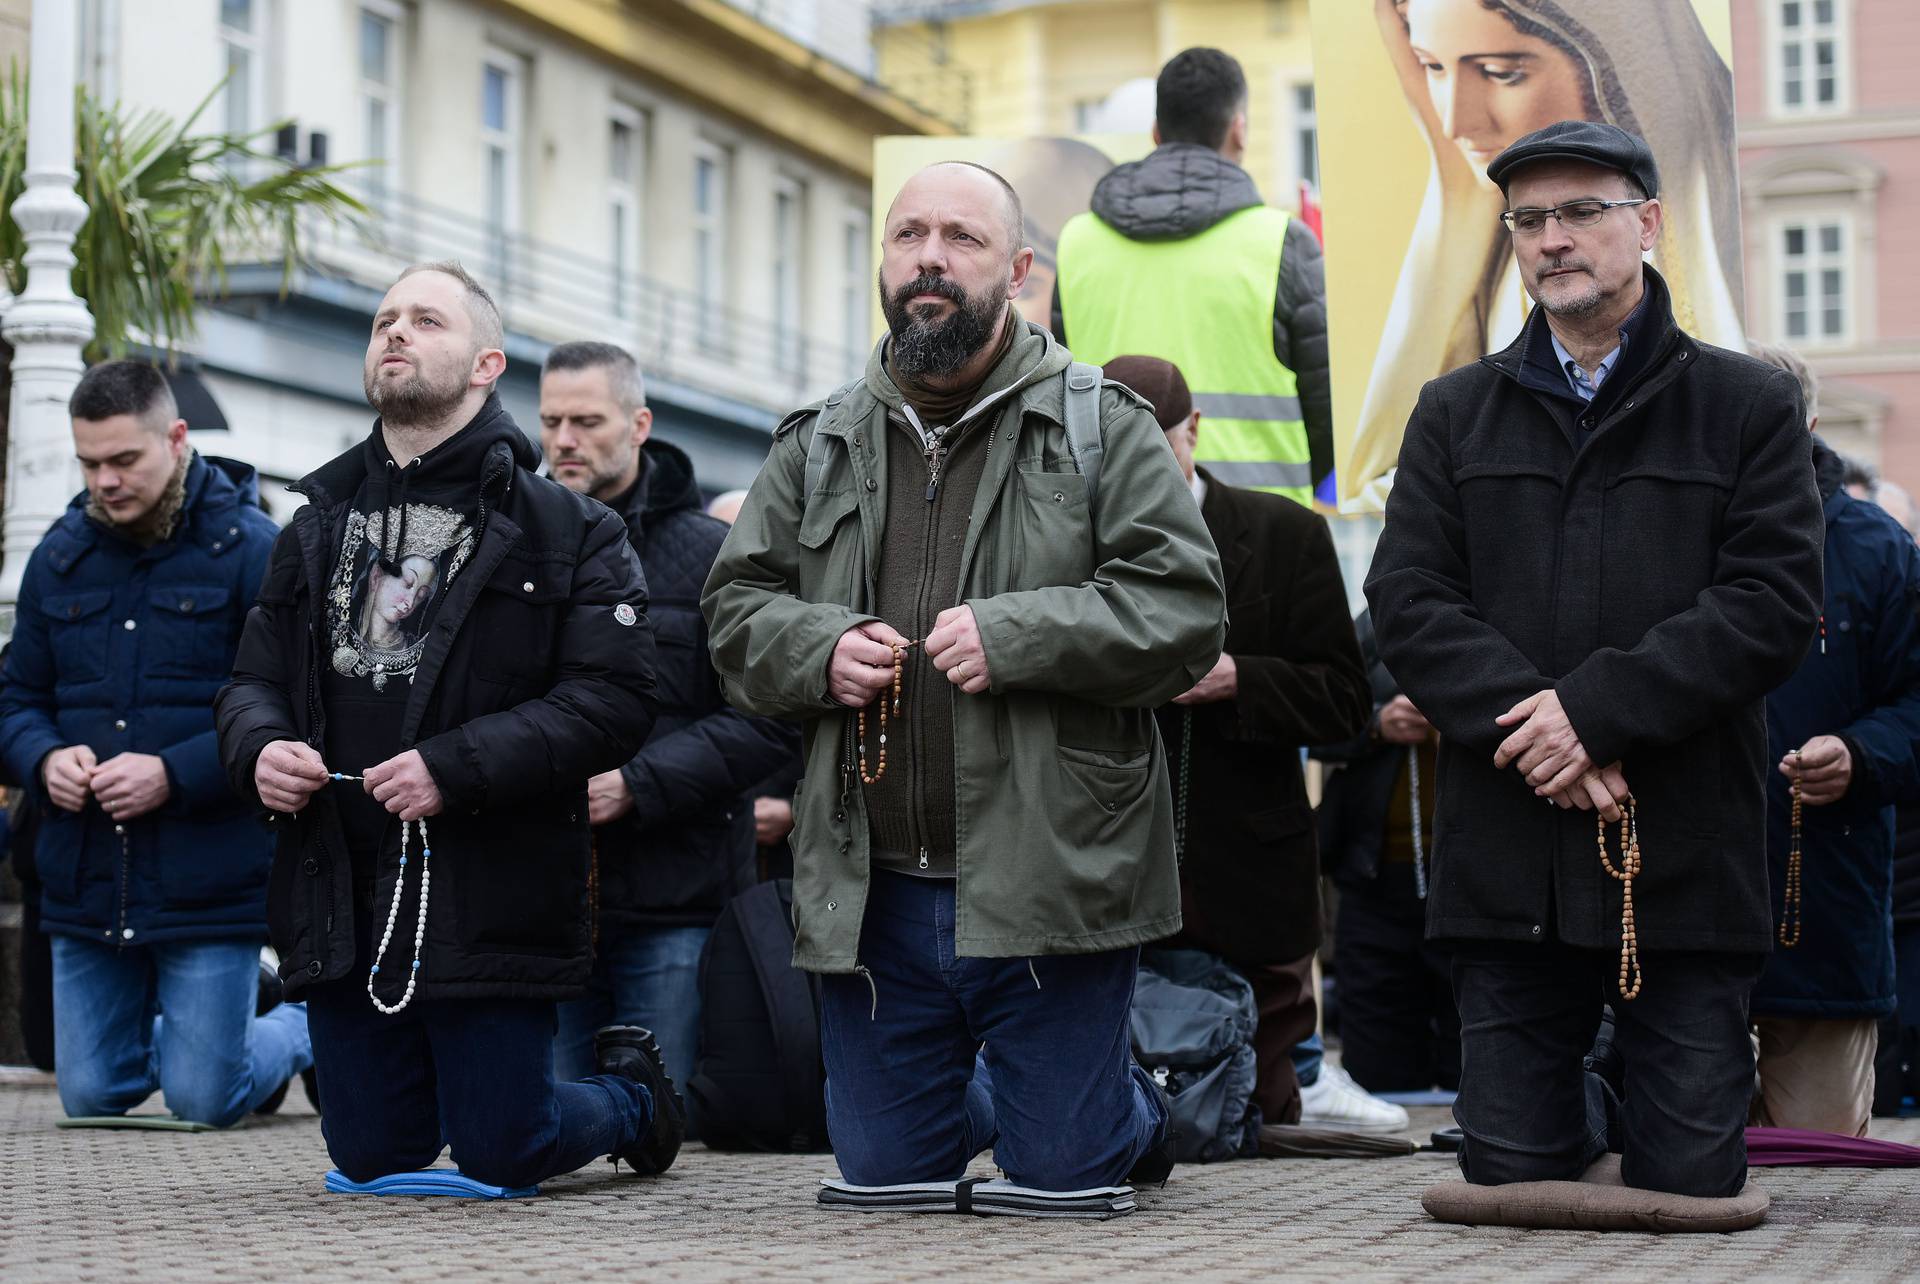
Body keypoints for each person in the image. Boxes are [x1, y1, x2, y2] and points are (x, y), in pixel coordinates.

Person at [702, 162, 1226, 1192]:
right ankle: (1021, 1096)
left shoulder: (1100, 424)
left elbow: (1185, 616)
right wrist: (818, 650)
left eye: (961, 238)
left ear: (1019, 269)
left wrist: (1020, 634)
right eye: (908, 236)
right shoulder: (818, 442)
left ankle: (1115, 1109)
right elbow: (731, 614)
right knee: (886, 1177)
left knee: (1065, 1181)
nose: (929, 258)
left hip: (1052, 875)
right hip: (872, 889)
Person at [1365, 122, 1824, 1197]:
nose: (1551, 239)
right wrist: (1547, 728)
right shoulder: (1453, 411)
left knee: (1689, 1184)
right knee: (1512, 1177)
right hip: (1508, 868)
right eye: (1529, 220)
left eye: (1581, 212)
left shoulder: (1747, 406)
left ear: (1649, 224)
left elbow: (1772, 604)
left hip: (1685, 858)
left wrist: (1598, 712)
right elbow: (1408, 601)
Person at [214, 261, 684, 1189]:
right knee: (372, 1155)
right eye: (385, 318)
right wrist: (259, 749)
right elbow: (247, 683)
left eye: (425, 320)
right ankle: (438, 1093)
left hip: (487, 884)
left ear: (485, 364)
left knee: (505, 1150)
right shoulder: (316, 520)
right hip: (340, 886)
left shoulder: (573, 529)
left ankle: (634, 1099)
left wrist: (452, 767)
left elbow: (615, 700)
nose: (394, 332)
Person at [0, 360, 309, 1125]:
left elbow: (291, 704)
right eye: (89, 462)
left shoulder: (253, 548)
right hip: (87, 874)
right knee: (93, 1095)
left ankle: (300, 1027)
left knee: (206, 1101)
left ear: (176, 438)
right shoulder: (58, 556)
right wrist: (41, 757)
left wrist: (173, 773)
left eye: (123, 459)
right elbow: (15, 697)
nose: (104, 480)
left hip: (209, 876)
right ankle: (208, 1035)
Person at [1101, 355, 1389, 1131]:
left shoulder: (1283, 533)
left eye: (1150, 448)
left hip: (1249, 881)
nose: (1132, 473)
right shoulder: (1069, 539)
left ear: (1192, 431)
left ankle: (1302, 1079)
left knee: (1257, 1110)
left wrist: (1237, 679)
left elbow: (1344, 701)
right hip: (1112, 873)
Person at [1348, 0, 1745, 507]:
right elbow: (1413, 566)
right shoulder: (1450, 407)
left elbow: (1766, 577)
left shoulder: (1750, 402)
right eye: (1433, 66)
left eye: (1500, 72)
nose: (1454, 121)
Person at [537, 340, 798, 1093]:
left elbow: (769, 719)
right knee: (548, 1125)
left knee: (658, 1128)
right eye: (552, 420)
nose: (563, 441)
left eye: (586, 420)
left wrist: (638, 785)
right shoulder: (517, 546)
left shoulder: (717, 555)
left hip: (673, 901)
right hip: (545, 898)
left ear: (639, 423)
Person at [1743, 341, 1920, 1138]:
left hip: (1821, 916)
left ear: (1808, 424)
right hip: (1671, 929)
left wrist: (1859, 753)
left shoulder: (1877, 549)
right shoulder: (1656, 533)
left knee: (1819, 1193)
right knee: (1667, 1183)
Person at [1053, 47, 1331, 506]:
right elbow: (1326, 409)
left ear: (1156, 132)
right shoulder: (1285, 242)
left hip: (1118, 524)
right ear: (1239, 129)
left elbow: (1062, 394)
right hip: (1262, 529)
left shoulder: (1078, 241)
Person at [1314, 610, 1461, 1098]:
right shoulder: (1373, 625)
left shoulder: (1500, 604)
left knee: (1476, 1052)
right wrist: (1378, 724)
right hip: (1373, 874)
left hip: (1472, 878)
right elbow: (1310, 720)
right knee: (1378, 1069)